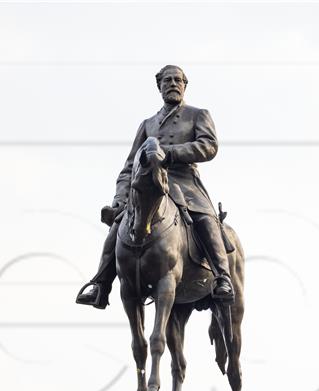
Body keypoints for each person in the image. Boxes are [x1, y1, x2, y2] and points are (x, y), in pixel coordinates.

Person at [76, 65, 234, 309]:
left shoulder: (198, 114)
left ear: (184, 85)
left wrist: (168, 154)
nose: (173, 84)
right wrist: (120, 199)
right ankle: (101, 284)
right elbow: (130, 166)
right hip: (149, 185)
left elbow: (208, 146)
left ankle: (222, 277)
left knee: (206, 220)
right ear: (159, 87)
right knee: (118, 226)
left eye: (178, 80)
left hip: (186, 185)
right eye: (167, 80)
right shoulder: (148, 124)